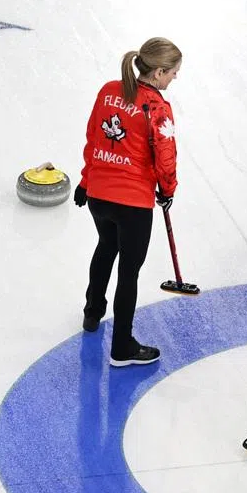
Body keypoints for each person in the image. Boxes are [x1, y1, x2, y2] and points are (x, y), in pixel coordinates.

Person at [76, 37, 181, 367]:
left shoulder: (109, 89)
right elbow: (166, 158)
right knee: (129, 272)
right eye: (173, 73)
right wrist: (168, 189)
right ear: (159, 71)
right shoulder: (158, 108)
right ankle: (122, 347)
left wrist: (85, 179)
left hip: (99, 194)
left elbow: (94, 137)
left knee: (106, 246)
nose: (175, 79)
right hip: (133, 202)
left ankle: (92, 314)